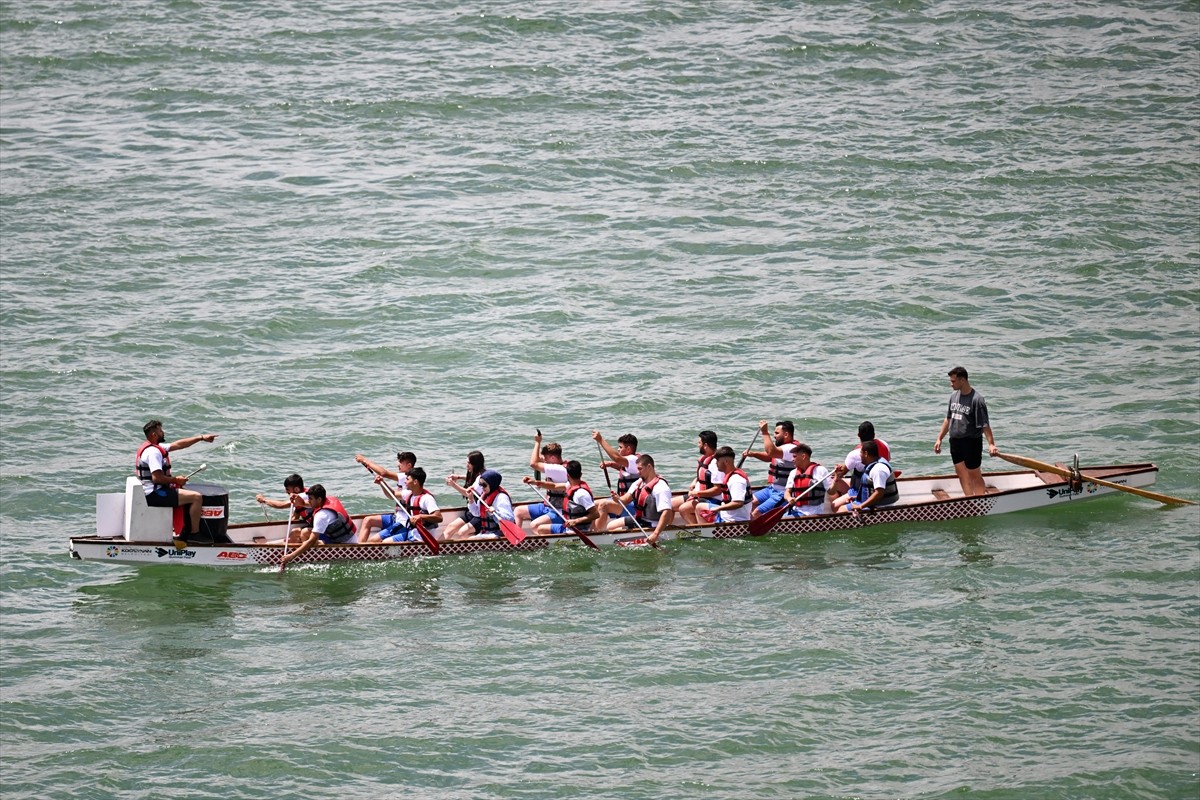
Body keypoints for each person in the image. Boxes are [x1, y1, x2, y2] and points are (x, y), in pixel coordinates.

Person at [134, 419, 218, 539]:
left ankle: (185, 529)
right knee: (196, 497)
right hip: (154, 494)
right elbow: (157, 478)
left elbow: (179, 444)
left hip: (155, 490)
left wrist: (201, 438)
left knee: (186, 492)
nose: (163, 432)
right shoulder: (153, 453)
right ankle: (194, 534)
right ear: (154, 434)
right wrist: (176, 480)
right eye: (160, 430)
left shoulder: (155, 447)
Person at [933, 366, 998, 496]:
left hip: (971, 442)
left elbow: (985, 425)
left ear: (962, 380)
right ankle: (969, 500)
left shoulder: (977, 400)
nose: (951, 384)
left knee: (974, 474)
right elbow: (948, 419)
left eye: (953, 381)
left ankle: (980, 501)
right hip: (955, 441)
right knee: (961, 474)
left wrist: (991, 444)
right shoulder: (953, 397)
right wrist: (939, 438)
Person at [280, 484, 357, 566]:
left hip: (343, 543)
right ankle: (307, 549)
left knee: (307, 537)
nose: (308, 501)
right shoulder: (329, 499)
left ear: (319, 499)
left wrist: (291, 556)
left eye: (310, 499)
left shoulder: (322, 515)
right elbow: (310, 504)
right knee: (304, 532)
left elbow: (311, 541)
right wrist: (302, 503)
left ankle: (309, 557)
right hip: (341, 534)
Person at [606, 454, 674, 544]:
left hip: (652, 523)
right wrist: (617, 498)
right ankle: (629, 540)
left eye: (640, 469)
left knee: (614, 529)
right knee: (610, 526)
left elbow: (667, 512)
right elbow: (625, 500)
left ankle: (631, 540)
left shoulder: (661, 487)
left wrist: (655, 534)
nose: (638, 472)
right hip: (640, 519)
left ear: (649, 467)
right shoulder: (639, 483)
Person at [363, 468, 443, 543]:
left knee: (385, 543)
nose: (405, 482)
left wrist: (420, 516)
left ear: (415, 482)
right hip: (413, 532)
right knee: (376, 541)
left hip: (423, 536)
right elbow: (392, 495)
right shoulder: (409, 494)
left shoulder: (427, 498)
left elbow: (439, 517)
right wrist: (382, 483)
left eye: (407, 479)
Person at [525, 460, 597, 536]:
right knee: (541, 529)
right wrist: (534, 482)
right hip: (569, 527)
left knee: (541, 529)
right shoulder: (569, 485)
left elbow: (595, 514)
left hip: (579, 530)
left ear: (567, 476)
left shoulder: (581, 494)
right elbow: (553, 486)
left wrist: (576, 521)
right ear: (581, 474)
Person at [830, 421, 892, 509]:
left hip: (862, 490)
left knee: (834, 504)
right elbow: (888, 460)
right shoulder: (884, 445)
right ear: (874, 435)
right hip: (879, 483)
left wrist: (837, 471)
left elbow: (841, 473)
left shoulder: (856, 453)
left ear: (858, 435)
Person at [743, 419, 798, 518]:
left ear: (786, 435)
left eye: (777, 433)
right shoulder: (783, 448)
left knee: (756, 513)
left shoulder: (791, 448)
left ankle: (751, 530)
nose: (774, 436)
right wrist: (753, 454)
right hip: (771, 489)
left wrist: (764, 432)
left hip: (782, 492)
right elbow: (770, 457)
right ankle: (746, 523)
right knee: (748, 503)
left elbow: (771, 452)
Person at [514, 432, 568, 531]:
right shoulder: (553, 464)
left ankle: (540, 543)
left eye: (546, 459)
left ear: (553, 458)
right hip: (547, 506)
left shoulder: (559, 470)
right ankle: (517, 539)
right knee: (518, 511)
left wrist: (537, 442)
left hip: (559, 511)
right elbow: (537, 459)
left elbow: (533, 463)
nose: (544, 462)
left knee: (534, 525)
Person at [590, 430, 640, 531]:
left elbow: (617, 458)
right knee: (592, 505)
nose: (618, 449)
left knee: (604, 505)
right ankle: (589, 530)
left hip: (633, 506)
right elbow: (625, 470)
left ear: (629, 449)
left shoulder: (634, 460)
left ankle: (597, 535)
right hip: (624, 502)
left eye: (620, 447)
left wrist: (600, 440)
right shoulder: (630, 463)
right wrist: (611, 464)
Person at [673, 430, 723, 525]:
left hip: (712, 499)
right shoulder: (705, 459)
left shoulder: (715, 464)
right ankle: (666, 530)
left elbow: (718, 490)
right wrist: (695, 481)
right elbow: (705, 476)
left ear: (706, 446)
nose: (698, 445)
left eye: (699, 442)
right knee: (670, 504)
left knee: (683, 509)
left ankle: (698, 532)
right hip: (698, 494)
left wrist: (697, 493)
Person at [834, 440, 899, 513]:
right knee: (840, 507)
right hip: (873, 503)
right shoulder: (873, 464)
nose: (860, 455)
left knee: (840, 510)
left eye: (861, 453)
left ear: (866, 453)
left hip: (881, 506)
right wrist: (857, 497)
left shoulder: (878, 470)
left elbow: (879, 493)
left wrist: (861, 506)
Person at [441, 451, 489, 540]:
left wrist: (453, 485)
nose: (466, 465)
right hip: (471, 511)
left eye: (469, 463)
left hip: (479, 514)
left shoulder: (482, 479)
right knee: (450, 528)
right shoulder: (476, 473)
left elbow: (468, 492)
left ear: (475, 464)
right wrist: (458, 477)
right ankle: (438, 549)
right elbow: (472, 479)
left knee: (462, 533)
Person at [783, 443, 835, 516]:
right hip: (796, 510)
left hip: (814, 512)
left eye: (794, 456)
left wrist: (837, 479)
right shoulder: (793, 473)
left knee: (781, 522)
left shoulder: (820, 470)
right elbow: (787, 492)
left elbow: (832, 491)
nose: (792, 459)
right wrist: (789, 498)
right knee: (780, 520)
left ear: (803, 456)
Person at [708, 446, 751, 524]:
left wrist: (718, 508)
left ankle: (704, 531)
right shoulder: (730, 476)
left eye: (717, 461)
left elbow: (738, 503)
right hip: (725, 515)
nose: (716, 463)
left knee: (697, 508)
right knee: (699, 507)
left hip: (733, 520)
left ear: (726, 462)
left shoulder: (736, 480)